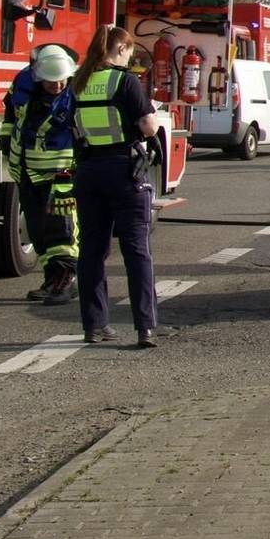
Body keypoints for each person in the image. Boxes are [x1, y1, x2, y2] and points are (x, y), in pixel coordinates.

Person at [71, 24, 163, 350]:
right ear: (121, 49)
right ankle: (144, 328)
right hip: (124, 171)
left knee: (92, 252)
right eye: (130, 51)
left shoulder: (78, 83)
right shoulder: (126, 81)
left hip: (88, 172)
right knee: (137, 251)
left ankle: (94, 326)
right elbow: (148, 126)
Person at [3, 45, 80, 305]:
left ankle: (65, 281)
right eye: (51, 80)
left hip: (61, 172)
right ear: (38, 75)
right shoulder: (23, 83)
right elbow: (10, 117)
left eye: (61, 79)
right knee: (37, 230)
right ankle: (52, 279)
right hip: (26, 171)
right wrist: (6, 144)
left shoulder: (75, 92)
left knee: (61, 230)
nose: (57, 85)